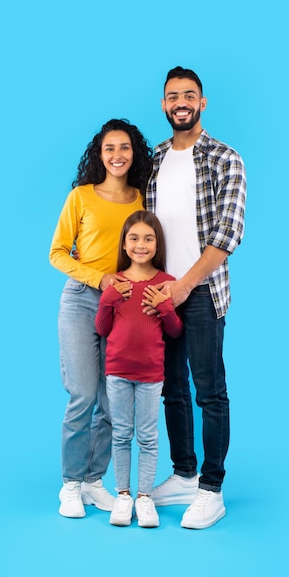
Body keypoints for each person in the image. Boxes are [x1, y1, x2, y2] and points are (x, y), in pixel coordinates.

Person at [144, 66, 246, 529]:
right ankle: (184, 472)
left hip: (201, 291)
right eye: (172, 96)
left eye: (189, 95)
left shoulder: (225, 159)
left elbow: (228, 235)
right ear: (164, 105)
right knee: (171, 388)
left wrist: (184, 284)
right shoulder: (156, 159)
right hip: (161, 290)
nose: (180, 102)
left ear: (202, 103)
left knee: (210, 390)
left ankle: (211, 488)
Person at [49, 119, 153, 518]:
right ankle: (71, 485)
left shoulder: (141, 200)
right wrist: (99, 277)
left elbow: (147, 249)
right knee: (83, 395)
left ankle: (94, 481)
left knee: (113, 404)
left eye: (124, 147)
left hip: (125, 308)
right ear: (100, 154)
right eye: (110, 148)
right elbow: (58, 252)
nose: (117, 155)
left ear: (134, 153)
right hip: (81, 301)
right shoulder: (81, 197)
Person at [95, 211, 183, 528]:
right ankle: (123, 495)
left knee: (147, 437)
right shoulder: (115, 281)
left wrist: (164, 306)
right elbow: (102, 328)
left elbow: (174, 331)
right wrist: (107, 299)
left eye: (148, 238)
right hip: (117, 370)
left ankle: (144, 498)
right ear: (124, 243)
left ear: (157, 244)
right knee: (121, 435)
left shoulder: (166, 283)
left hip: (150, 374)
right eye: (134, 238)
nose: (141, 245)